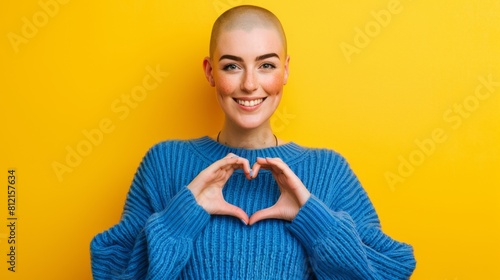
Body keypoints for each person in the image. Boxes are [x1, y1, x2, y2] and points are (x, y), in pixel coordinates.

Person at [90, 5, 416, 279]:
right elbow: (110, 270)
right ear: (210, 72)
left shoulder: (328, 169)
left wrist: (314, 220)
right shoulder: (165, 162)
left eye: (266, 65)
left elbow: (394, 268)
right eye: (232, 65)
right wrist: (182, 216)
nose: (249, 84)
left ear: (285, 71)